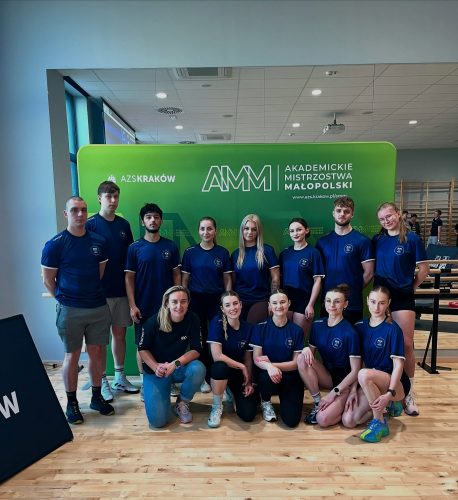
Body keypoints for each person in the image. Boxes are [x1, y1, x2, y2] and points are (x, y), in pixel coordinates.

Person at [41, 196, 114, 424]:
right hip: (70, 310)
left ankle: (96, 397)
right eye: (74, 210)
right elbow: (48, 280)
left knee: (97, 353)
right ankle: (72, 403)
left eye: (83, 210)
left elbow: (99, 274)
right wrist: (64, 300)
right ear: (66, 214)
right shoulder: (55, 244)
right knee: (72, 356)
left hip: (98, 307)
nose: (80, 214)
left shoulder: (99, 242)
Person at [373, 202, 429, 416]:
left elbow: (424, 269)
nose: (386, 221)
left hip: (402, 296)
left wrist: (410, 286)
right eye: (382, 219)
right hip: (381, 296)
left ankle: (409, 393)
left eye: (389, 216)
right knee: (384, 345)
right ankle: (390, 391)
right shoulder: (378, 240)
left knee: (405, 344)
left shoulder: (412, 239)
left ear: (398, 214)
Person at [85, 180, 138, 402]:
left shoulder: (124, 225)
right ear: (100, 198)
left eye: (116, 196)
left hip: (121, 290)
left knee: (119, 334)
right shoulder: (90, 224)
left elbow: (130, 259)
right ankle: (101, 380)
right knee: (99, 340)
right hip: (98, 293)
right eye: (108, 197)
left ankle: (119, 377)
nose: (113, 201)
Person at [125, 203, 181, 396]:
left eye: (156, 217)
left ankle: (169, 381)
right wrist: (132, 305)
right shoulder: (134, 248)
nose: (153, 220)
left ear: (161, 221)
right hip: (143, 306)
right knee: (142, 345)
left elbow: (176, 275)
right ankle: (145, 384)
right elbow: (129, 278)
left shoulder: (170, 246)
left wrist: (177, 301)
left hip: (167, 307)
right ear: (143, 221)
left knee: (169, 343)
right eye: (148, 217)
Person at [345, 286, 411, 443]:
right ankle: (385, 409)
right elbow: (359, 362)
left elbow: (398, 366)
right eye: (373, 302)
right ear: (367, 301)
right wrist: (353, 390)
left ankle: (379, 422)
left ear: (388, 303)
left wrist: (389, 394)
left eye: (382, 303)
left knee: (364, 374)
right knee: (349, 420)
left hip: (395, 384)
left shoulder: (393, 329)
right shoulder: (360, 326)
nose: (376, 307)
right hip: (370, 381)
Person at [138, 286, 205, 428]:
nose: (179, 306)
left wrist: (175, 364)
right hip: (157, 371)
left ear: (188, 303)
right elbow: (142, 349)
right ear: (166, 303)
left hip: (177, 367)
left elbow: (196, 350)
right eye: (174, 302)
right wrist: (156, 367)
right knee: (157, 422)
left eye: (183, 301)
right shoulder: (152, 322)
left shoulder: (193, 319)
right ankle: (162, 396)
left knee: (198, 368)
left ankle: (182, 402)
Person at [297, 284, 361, 426]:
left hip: (345, 383)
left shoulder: (350, 333)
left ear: (345, 304)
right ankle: (317, 403)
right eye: (328, 301)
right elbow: (310, 359)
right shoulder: (317, 325)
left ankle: (341, 407)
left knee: (323, 419)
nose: (332, 305)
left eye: (337, 301)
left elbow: (355, 371)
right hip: (327, 375)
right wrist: (305, 349)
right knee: (302, 358)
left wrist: (333, 393)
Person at [182, 216, 232, 393]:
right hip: (196, 299)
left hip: (216, 300)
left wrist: (227, 300)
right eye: (202, 228)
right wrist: (185, 300)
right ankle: (203, 377)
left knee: (218, 336)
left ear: (215, 231)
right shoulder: (190, 252)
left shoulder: (222, 252)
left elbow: (227, 279)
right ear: (198, 231)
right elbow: (185, 279)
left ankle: (218, 375)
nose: (206, 232)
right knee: (200, 337)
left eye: (209, 228)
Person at [250, 290, 305, 428]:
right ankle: (265, 401)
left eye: (282, 302)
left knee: (292, 421)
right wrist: (269, 367)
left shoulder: (297, 330)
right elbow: (257, 358)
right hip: (267, 376)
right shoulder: (260, 328)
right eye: (274, 303)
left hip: (289, 376)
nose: (279, 306)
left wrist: (273, 365)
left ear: (289, 303)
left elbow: (295, 364)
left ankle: (285, 398)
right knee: (265, 376)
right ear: (269, 305)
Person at [316, 196, 374, 324]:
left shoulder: (362, 241)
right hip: (328, 303)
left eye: (346, 211)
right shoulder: (322, 242)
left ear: (352, 214)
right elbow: (318, 275)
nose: (342, 214)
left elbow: (369, 273)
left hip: (352, 302)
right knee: (328, 335)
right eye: (339, 210)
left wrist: (352, 289)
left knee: (351, 335)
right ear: (333, 213)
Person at [206, 291, 257, 428]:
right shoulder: (217, 323)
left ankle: (230, 389)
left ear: (241, 305)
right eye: (227, 305)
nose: (232, 308)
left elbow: (248, 359)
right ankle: (217, 406)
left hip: (237, 374)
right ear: (222, 309)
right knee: (220, 366)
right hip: (219, 372)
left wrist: (249, 382)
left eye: (235, 303)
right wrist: (241, 366)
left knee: (248, 415)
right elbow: (217, 356)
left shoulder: (248, 328)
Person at [279, 217, 324, 336]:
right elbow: (279, 279)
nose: (295, 233)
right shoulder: (285, 253)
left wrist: (311, 304)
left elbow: (317, 281)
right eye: (292, 231)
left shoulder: (313, 253)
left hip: (304, 298)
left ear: (306, 230)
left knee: (299, 337)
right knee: (285, 335)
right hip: (286, 298)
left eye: (299, 229)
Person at [231, 214, 280, 323]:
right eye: (246, 228)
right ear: (242, 230)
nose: (249, 232)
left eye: (254, 229)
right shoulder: (235, 254)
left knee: (256, 331)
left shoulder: (267, 251)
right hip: (240, 302)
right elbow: (233, 281)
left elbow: (275, 279)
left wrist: (273, 302)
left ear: (258, 231)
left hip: (260, 300)